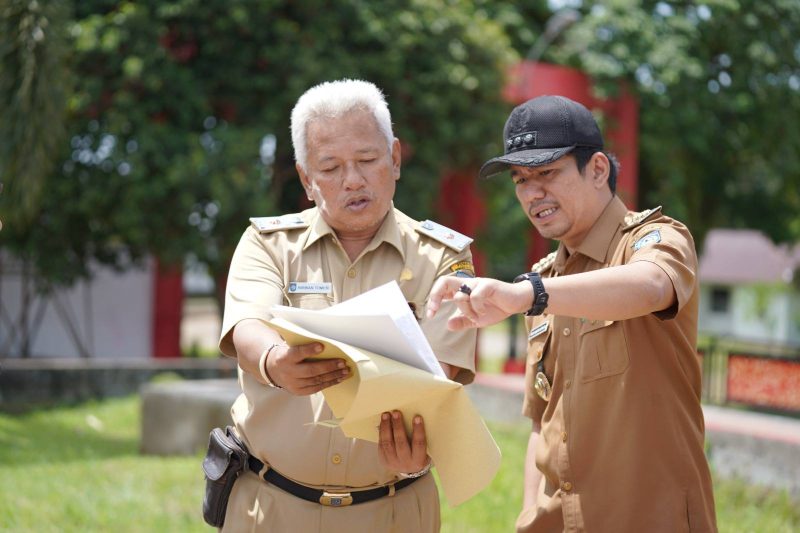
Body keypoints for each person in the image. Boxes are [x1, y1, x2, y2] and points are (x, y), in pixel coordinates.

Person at [428, 95, 717, 532]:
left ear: (597, 170)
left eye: (547, 173)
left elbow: (652, 285)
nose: (532, 192)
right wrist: (529, 517)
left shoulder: (657, 237)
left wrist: (530, 294)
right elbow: (543, 422)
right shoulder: (545, 280)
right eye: (521, 179)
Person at [217, 79, 477, 532]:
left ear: (394, 159)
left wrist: (417, 446)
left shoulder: (444, 257)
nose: (353, 180)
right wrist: (276, 361)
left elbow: (441, 377)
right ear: (307, 179)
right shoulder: (269, 244)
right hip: (272, 508)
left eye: (368, 160)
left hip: (394, 511)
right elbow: (247, 327)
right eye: (331, 167)